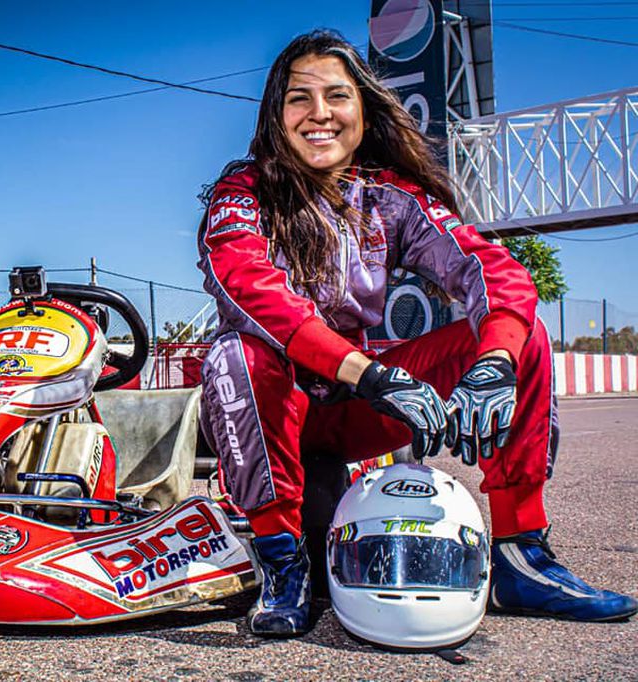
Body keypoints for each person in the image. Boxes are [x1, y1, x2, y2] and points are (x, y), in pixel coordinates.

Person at [197, 30, 636, 637]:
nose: (319, 114)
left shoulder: (392, 196)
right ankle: (281, 562)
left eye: (336, 96)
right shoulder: (239, 195)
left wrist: (495, 365)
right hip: (282, 408)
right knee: (234, 355)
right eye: (299, 98)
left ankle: (520, 555)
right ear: (276, 114)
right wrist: (371, 373)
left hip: (362, 408)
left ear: (362, 110)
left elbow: (489, 267)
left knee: (522, 330)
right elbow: (254, 292)